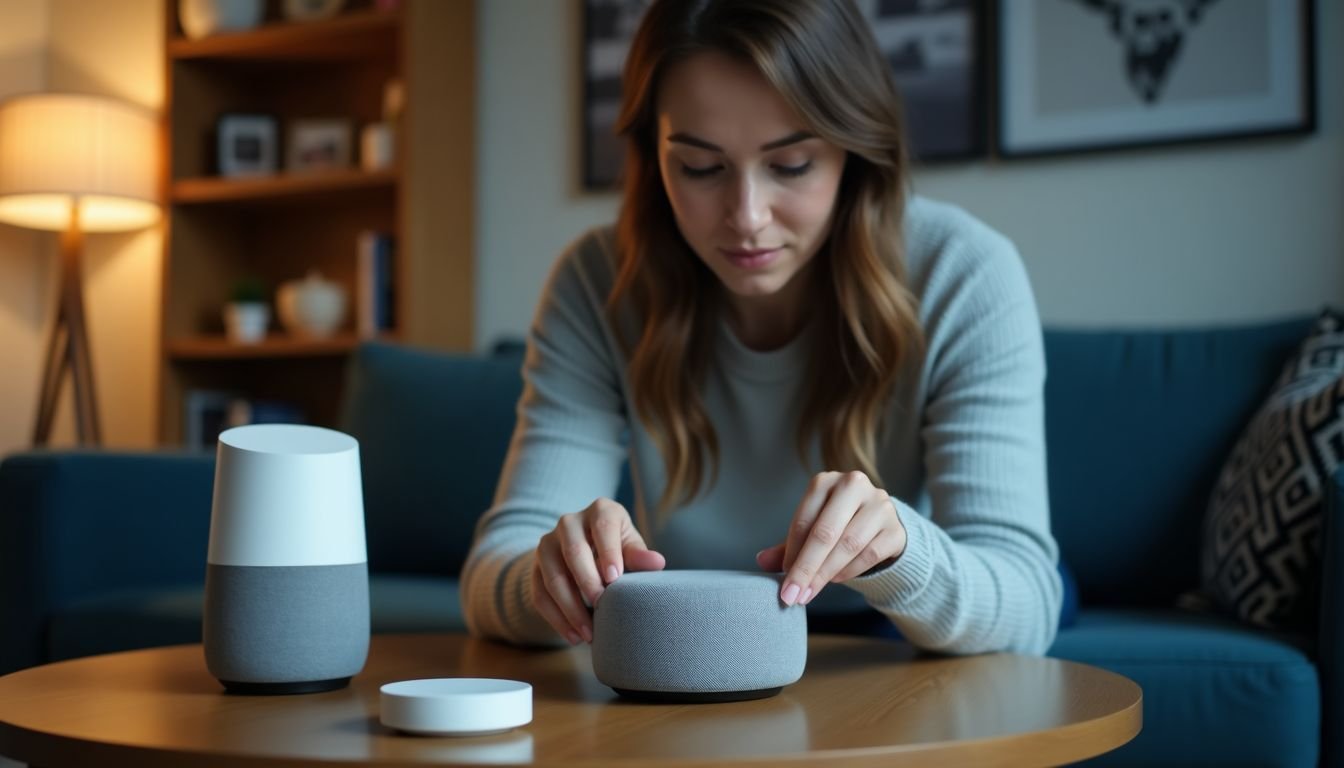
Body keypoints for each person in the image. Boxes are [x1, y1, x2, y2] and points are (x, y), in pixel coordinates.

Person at [462, 0, 1061, 655]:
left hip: (901, 623)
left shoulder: (963, 273)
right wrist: (553, 575)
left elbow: (1026, 603)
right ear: (651, 155)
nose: (746, 216)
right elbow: (495, 570)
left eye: (792, 164)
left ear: (854, 150)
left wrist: (901, 553)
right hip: (698, 635)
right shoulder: (597, 283)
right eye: (699, 167)